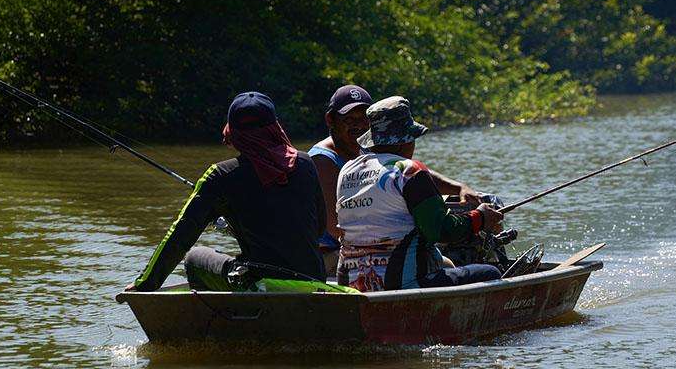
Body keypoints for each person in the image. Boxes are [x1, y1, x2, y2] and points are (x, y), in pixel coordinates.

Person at [126, 91, 329, 293]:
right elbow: (319, 228)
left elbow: (180, 235)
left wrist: (145, 283)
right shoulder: (305, 163)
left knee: (194, 258)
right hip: (314, 280)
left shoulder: (220, 175)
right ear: (275, 128)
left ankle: (226, 322)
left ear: (233, 133)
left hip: (264, 286)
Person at [310, 84, 483, 276]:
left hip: (369, 250)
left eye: (363, 119)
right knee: (450, 265)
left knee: (444, 260)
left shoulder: (366, 150)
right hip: (332, 254)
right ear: (330, 120)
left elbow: (401, 169)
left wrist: (459, 188)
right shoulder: (322, 161)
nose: (358, 126)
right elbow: (337, 229)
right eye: (349, 119)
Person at [335, 96, 504, 291]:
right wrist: (480, 217)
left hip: (350, 285)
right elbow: (442, 231)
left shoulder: (348, 170)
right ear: (404, 141)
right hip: (401, 285)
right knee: (490, 273)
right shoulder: (409, 171)